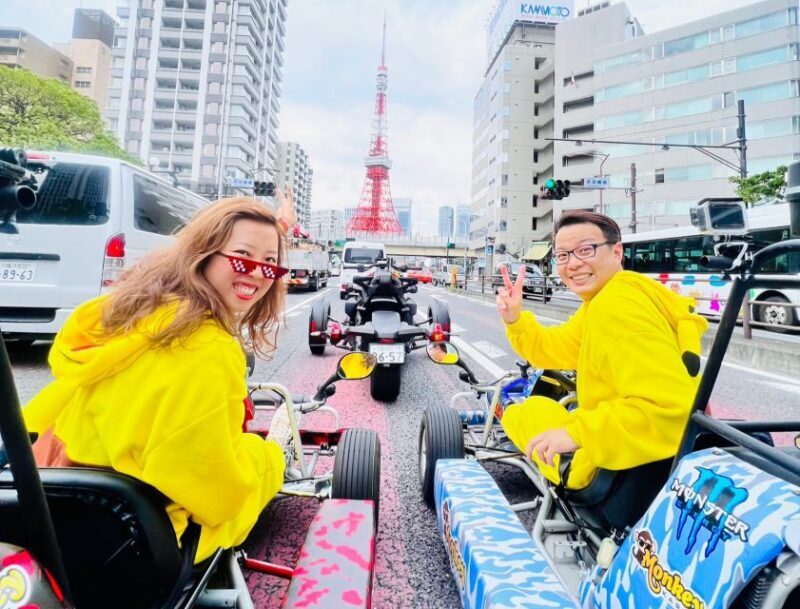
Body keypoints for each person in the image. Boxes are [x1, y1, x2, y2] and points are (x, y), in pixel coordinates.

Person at [23, 195, 295, 563]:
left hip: (51, 500)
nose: (256, 273)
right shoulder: (208, 346)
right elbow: (212, 492)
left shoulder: (136, 314)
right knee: (258, 465)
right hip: (131, 540)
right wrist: (267, 461)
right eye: (241, 255)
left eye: (270, 265)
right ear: (204, 253)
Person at [496, 210, 708, 489]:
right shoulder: (613, 297)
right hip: (643, 453)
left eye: (585, 250)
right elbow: (553, 348)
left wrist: (576, 434)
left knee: (519, 414)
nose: (572, 264)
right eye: (562, 255)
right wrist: (515, 319)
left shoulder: (616, 306)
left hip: (611, 470)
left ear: (617, 251)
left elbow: (669, 408)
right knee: (538, 407)